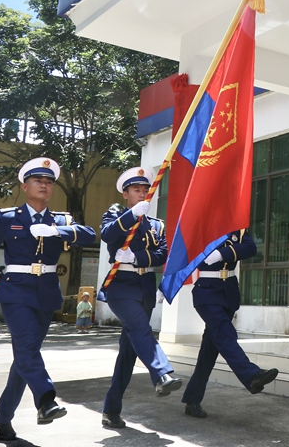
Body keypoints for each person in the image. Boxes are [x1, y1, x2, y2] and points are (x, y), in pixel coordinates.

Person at [0, 157, 96, 442]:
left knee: (23, 359)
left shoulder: (60, 220)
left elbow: (89, 235)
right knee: (28, 351)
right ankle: (46, 401)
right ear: (25, 185)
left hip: (46, 293)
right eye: (38, 180)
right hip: (15, 292)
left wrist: (57, 231)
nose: (44, 185)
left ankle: (2, 421)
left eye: (49, 181)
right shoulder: (8, 218)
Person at [99, 167, 180, 429]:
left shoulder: (156, 224)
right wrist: (131, 216)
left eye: (146, 190)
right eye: (137, 190)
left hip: (145, 284)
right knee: (141, 328)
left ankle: (111, 410)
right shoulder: (115, 215)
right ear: (126, 194)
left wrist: (136, 258)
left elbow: (162, 254)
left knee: (128, 352)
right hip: (120, 286)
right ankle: (162, 373)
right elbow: (108, 234)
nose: (143, 194)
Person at [181, 231, 280, 418]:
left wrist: (222, 254)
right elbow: (185, 252)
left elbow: (250, 248)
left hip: (228, 292)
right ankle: (252, 375)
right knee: (226, 335)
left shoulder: (237, 229)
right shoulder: (203, 225)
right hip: (207, 291)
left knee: (209, 352)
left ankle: (192, 399)